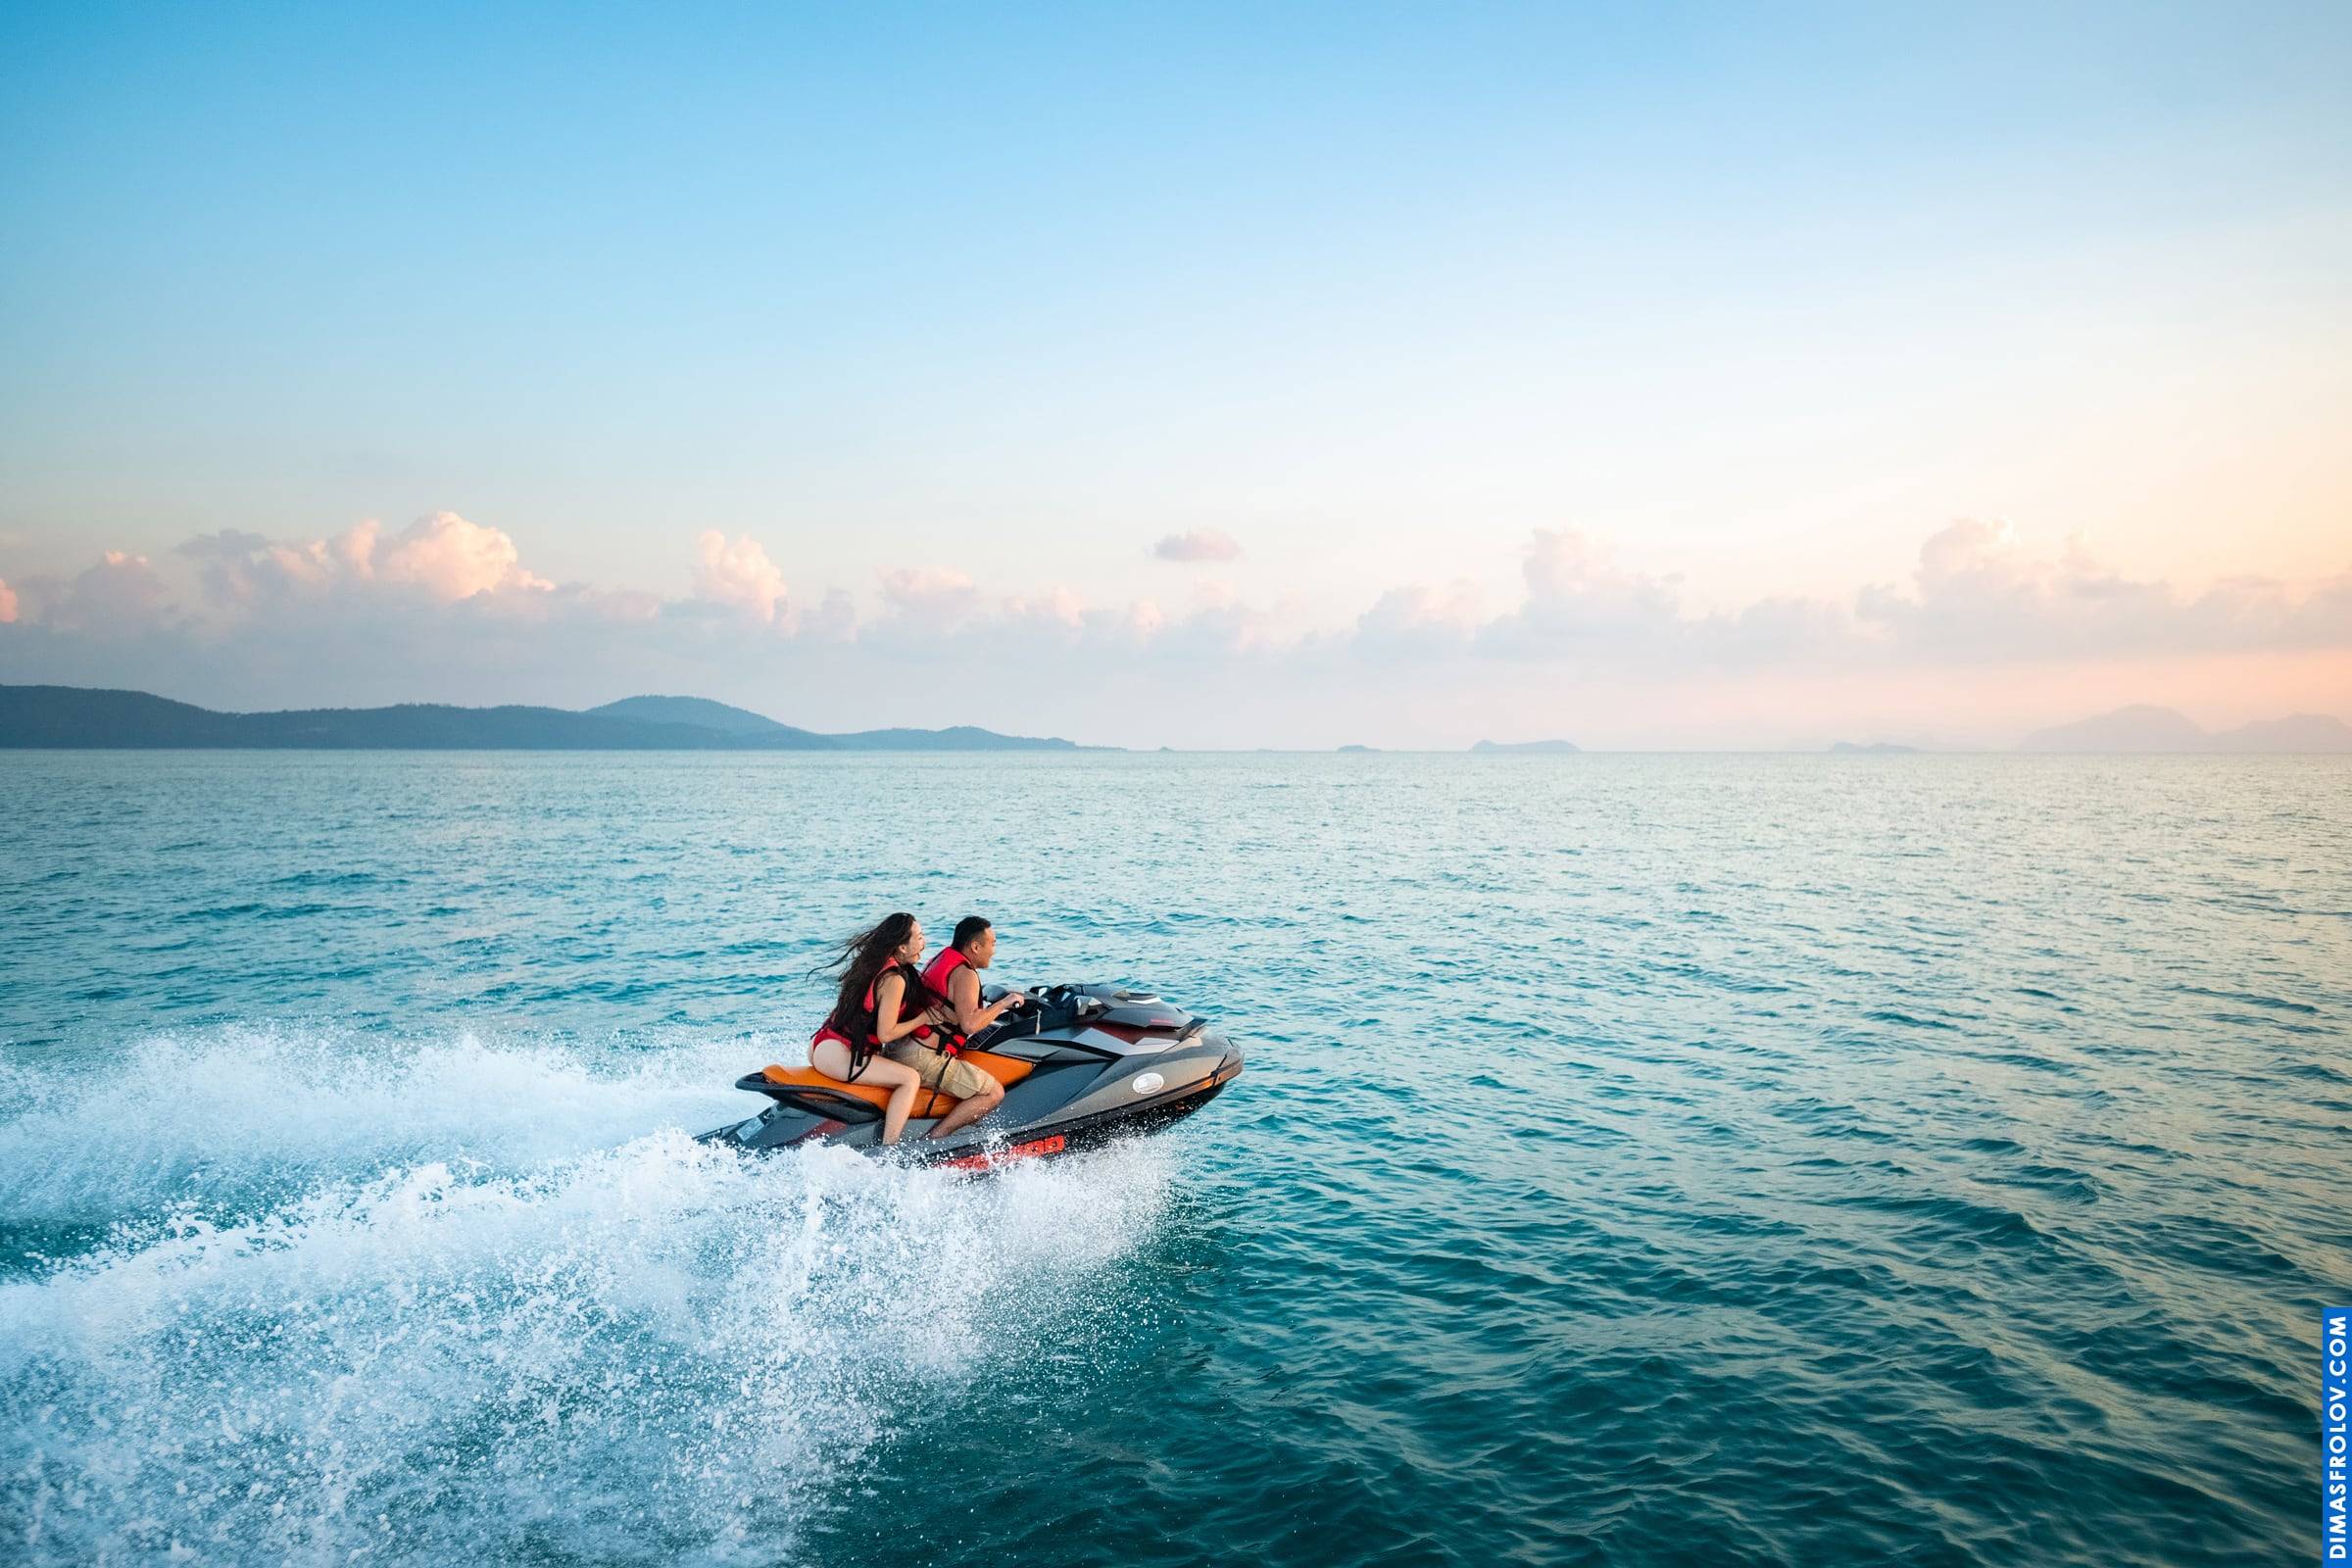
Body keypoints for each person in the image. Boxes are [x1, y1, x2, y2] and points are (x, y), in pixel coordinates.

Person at [808, 911, 1003, 1144]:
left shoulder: (878, 965)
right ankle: (889, 1148)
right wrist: (922, 1020)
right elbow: (886, 1034)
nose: (924, 943)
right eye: (919, 937)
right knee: (909, 1079)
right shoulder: (894, 980)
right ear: (901, 947)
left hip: (825, 1044)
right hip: (841, 1054)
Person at [921, 915, 1027, 1040]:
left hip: (918, 1039)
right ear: (975, 947)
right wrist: (1004, 1003)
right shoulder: (965, 974)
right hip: (930, 1050)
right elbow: (970, 1025)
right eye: (992, 945)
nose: (993, 952)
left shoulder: (940, 960)